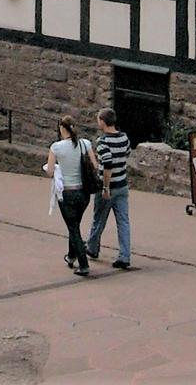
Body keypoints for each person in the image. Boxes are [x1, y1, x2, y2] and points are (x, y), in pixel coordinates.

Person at [43, 115, 107, 277]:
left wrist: (55, 169)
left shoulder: (56, 147)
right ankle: (71, 256)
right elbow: (95, 165)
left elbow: (50, 172)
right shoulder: (85, 144)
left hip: (68, 193)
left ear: (62, 129)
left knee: (73, 228)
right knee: (75, 224)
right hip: (84, 193)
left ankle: (83, 264)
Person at [86, 108, 133, 270]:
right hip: (122, 185)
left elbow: (107, 165)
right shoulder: (124, 138)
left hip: (108, 187)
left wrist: (105, 187)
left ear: (103, 122)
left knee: (99, 219)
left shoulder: (102, 142)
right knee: (123, 221)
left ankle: (92, 247)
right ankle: (125, 255)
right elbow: (126, 153)